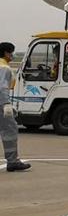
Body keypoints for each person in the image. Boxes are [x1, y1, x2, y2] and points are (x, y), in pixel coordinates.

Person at [1, 42, 31, 172]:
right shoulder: (4, 68)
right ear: (6, 53)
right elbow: (2, 87)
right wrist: (6, 104)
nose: (12, 55)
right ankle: (13, 161)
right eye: (11, 52)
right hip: (0, 103)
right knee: (10, 130)